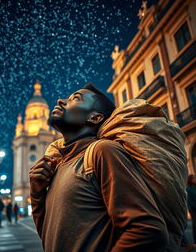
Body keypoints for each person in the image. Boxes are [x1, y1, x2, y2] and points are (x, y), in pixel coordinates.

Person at [29, 84, 170, 252]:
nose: (61, 100)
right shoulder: (59, 164)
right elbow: (50, 236)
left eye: (75, 98)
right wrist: (37, 194)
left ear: (94, 118)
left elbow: (147, 230)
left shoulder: (102, 151)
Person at [187, 175, 196, 243]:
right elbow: (189, 201)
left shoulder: (195, 188)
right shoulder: (188, 189)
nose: (195, 179)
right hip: (193, 210)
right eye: (194, 178)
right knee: (195, 225)